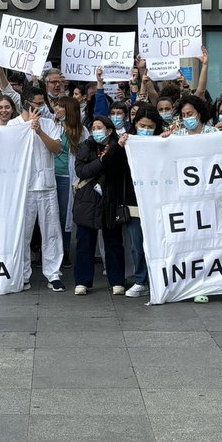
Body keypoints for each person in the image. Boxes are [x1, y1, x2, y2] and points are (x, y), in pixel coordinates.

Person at [12, 100, 65, 292]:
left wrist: (39, 130)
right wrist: (27, 128)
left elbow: (57, 149)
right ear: (25, 105)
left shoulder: (51, 124)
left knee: (51, 232)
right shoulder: (13, 125)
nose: (39, 108)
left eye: (42, 104)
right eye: (35, 104)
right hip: (23, 188)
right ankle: (24, 274)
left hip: (46, 186)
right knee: (23, 234)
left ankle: (53, 273)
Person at [72, 115, 127, 295]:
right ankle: (82, 281)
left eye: (99, 127)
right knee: (85, 243)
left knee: (113, 242)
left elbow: (118, 170)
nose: (96, 131)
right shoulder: (85, 146)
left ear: (109, 130)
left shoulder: (118, 147)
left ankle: (117, 281)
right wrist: (101, 161)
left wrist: (111, 153)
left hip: (110, 199)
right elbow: (81, 170)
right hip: (87, 200)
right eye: (94, 128)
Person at [123, 105, 161, 297]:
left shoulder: (163, 142)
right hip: (135, 201)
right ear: (135, 124)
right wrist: (119, 146)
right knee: (137, 243)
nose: (145, 129)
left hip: (159, 200)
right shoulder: (127, 142)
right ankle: (141, 280)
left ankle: (159, 279)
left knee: (160, 241)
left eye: (150, 126)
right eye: (142, 125)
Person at [54, 94, 86, 265]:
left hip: (68, 178)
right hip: (52, 176)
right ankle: (54, 251)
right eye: (57, 106)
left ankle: (65, 251)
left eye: (61, 106)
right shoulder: (53, 126)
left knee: (64, 216)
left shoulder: (81, 131)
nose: (57, 109)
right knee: (53, 216)